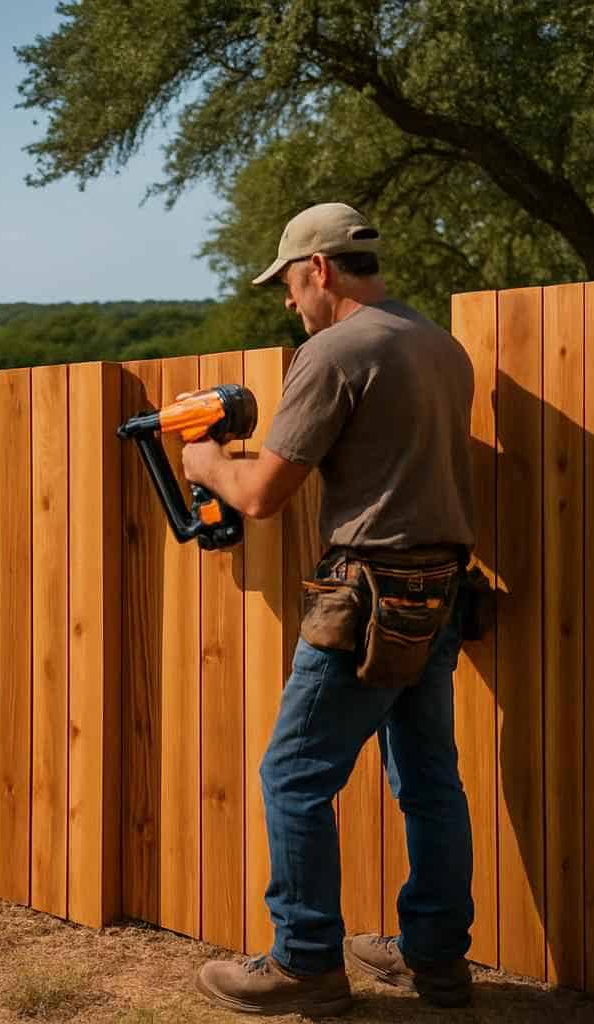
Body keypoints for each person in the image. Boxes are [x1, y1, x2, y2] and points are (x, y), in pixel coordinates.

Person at [179, 202, 479, 1016]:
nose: (287, 301)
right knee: (430, 780)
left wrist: (206, 463)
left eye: (287, 283)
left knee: (293, 776)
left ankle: (304, 962)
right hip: (440, 589)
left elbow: (263, 495)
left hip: (367, 597)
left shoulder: (335, 351)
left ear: (319, 268)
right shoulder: (439, 346)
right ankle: (437, 959)